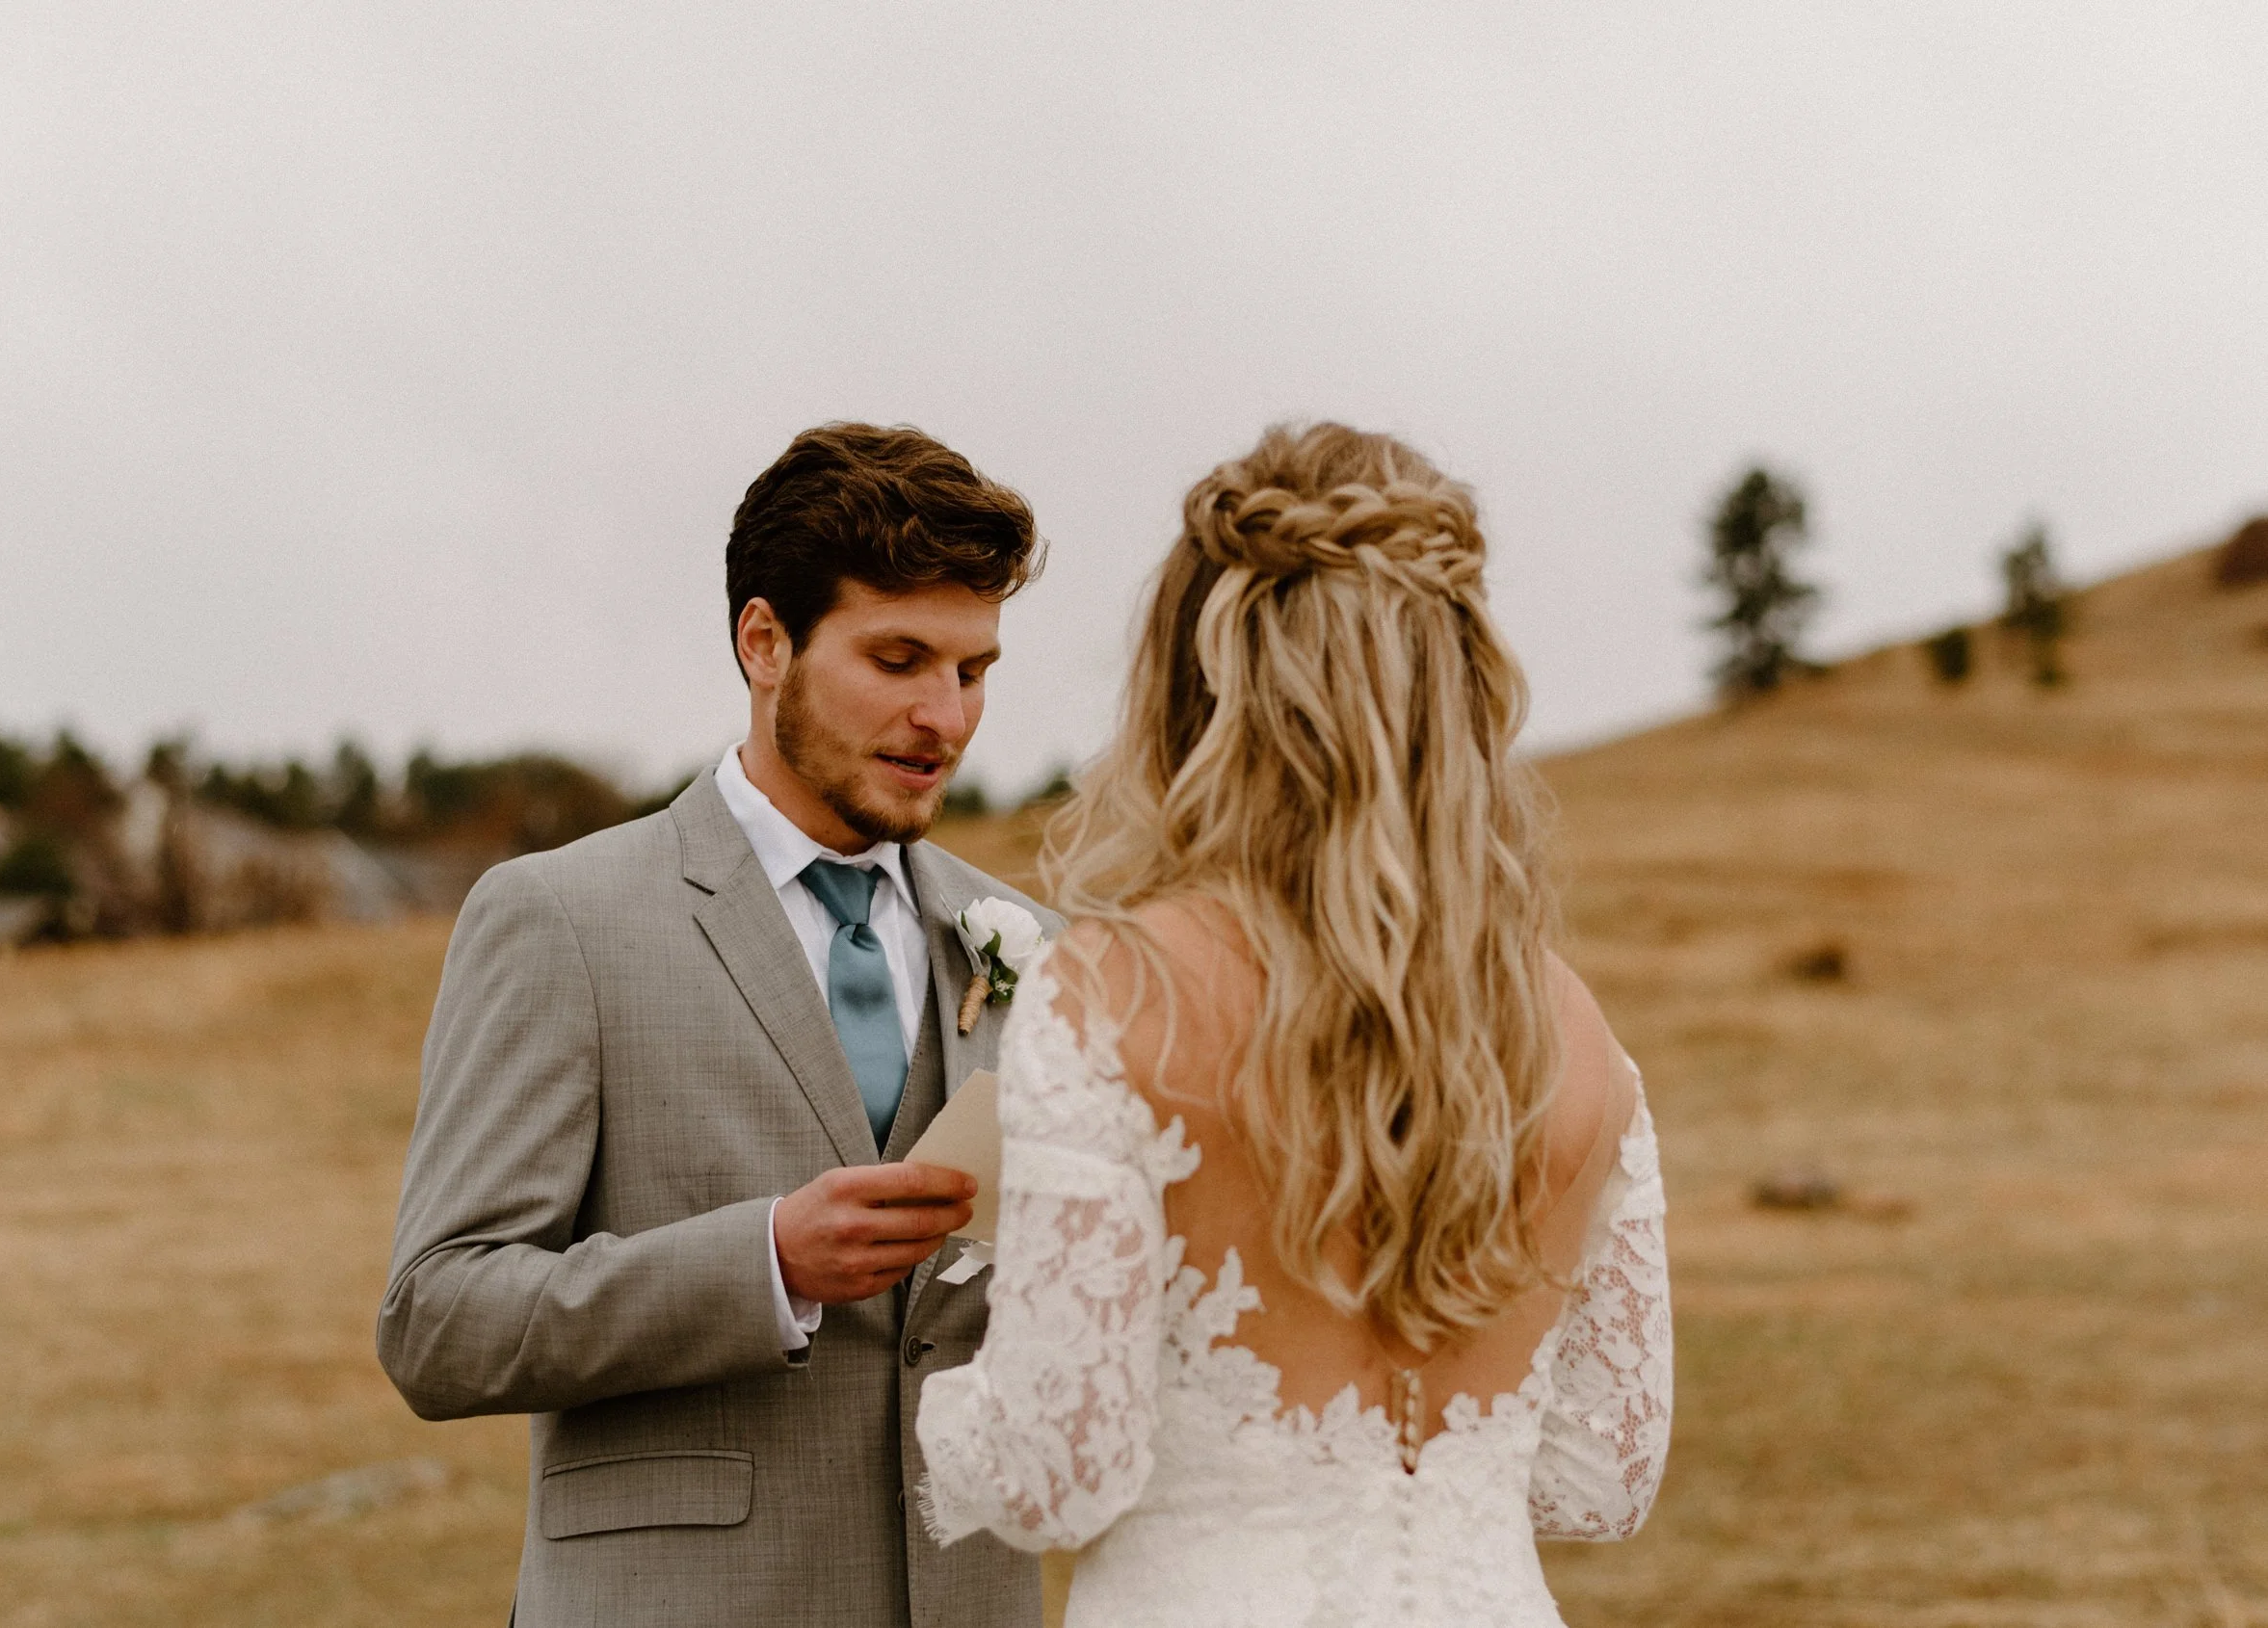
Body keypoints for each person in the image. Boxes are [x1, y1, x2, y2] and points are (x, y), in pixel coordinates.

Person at [914, 424, 1671, 1626]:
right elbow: (1600, 1479)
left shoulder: (1118, 990)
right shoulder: (1571, 1028)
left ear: (1194, 690)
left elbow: (1058, 1478)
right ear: (1456, 687)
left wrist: (946, 1402)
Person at [379, 422, 1059, 1628]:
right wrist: (763, 1265)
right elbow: (439, 1319)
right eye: (898, 658)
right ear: (765, 643)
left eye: (972, 670)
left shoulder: (1023, 940)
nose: (944, 717)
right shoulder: (563, 919)